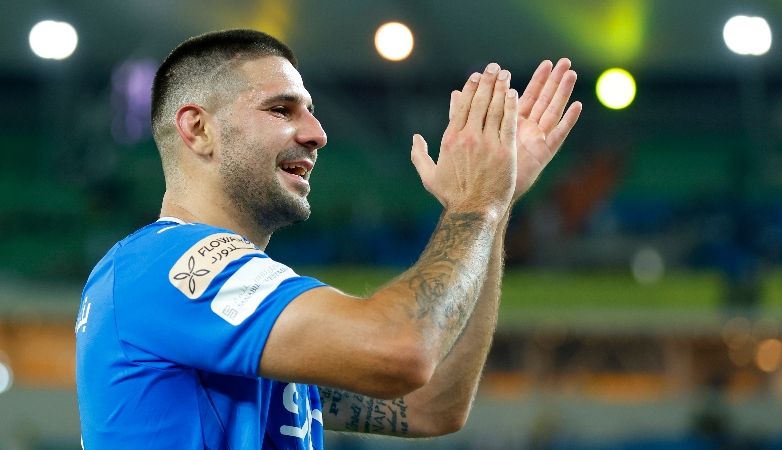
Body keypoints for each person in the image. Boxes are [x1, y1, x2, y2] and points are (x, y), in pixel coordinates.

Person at [75, 29, 581, 449]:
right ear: (198, 128)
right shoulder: (168, 265)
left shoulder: (219, 307)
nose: (318, 132)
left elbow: (433, 407)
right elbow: (401, 350)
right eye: (281, 110)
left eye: (311, 111)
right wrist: (476, 204)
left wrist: (494, 205)